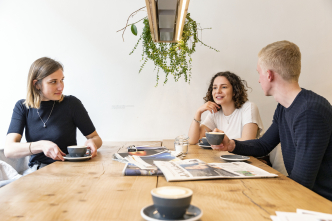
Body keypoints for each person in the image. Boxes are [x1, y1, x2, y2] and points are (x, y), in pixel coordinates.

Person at [213, 40, 332, 201]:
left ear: (269, 75)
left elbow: (302, 183)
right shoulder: (284, 107)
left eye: (259, 73)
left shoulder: (310, 111)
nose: (259, 80)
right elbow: (264, 145)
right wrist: (231, 145)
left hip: (320, 203)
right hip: (303, 195)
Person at [4, 57, 102, 172]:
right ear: (37, 84)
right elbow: (9, 150)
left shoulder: (72, 104)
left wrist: (93, 142)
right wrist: (41, 145)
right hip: (38, 171)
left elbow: (96, 138)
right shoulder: (22, 107)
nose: (61, 87)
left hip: (69, 168)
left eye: (62, 80)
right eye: (53, 81)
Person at [188, 71, 264, 144]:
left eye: (224, 87)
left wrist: (221, 142)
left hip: (252, 157)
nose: (218, 91)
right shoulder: (215, 113)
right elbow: (192, 140)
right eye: (214, 88)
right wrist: (198, 113)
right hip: (225, 156)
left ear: (234, 91)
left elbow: (247, 141)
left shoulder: (249, 107)